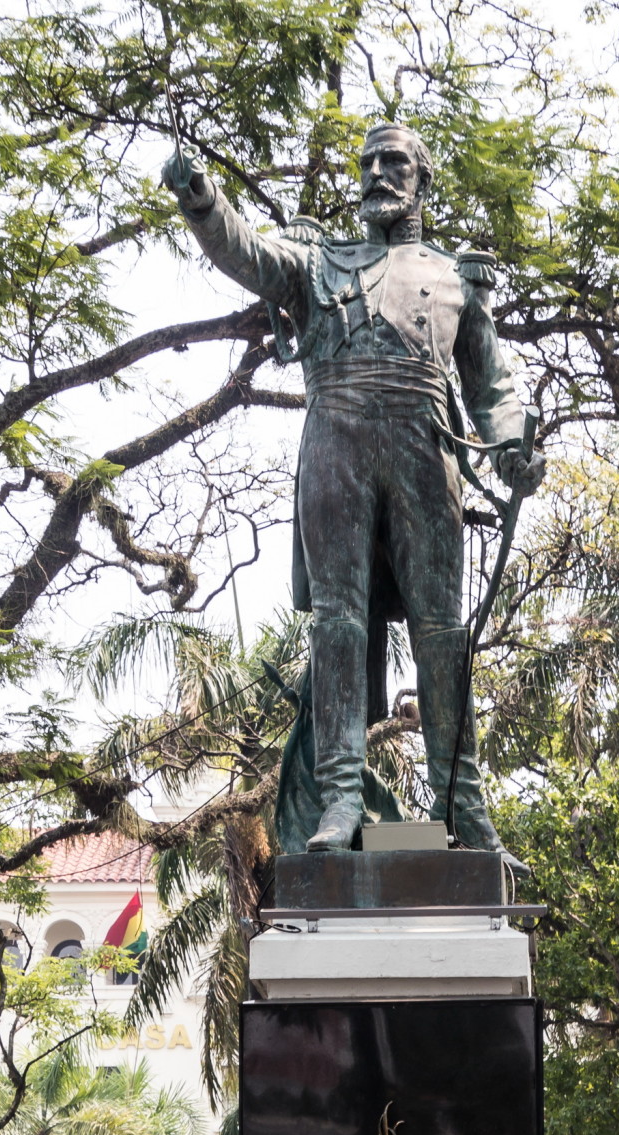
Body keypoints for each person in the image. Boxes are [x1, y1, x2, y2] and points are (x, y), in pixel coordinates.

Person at [161, 125, 544, 858]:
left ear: (421, 180)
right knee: (337, 625)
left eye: (392, 162)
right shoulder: (316, 261)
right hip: (334, 441)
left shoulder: (456, 276)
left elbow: (492, 385)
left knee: (442, 630)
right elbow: (245, 252)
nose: (375, 174)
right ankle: (339, 799)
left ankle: (463, 806)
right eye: (366, 163)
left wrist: (512, 450)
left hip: (424, 446)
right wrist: (203, 200)